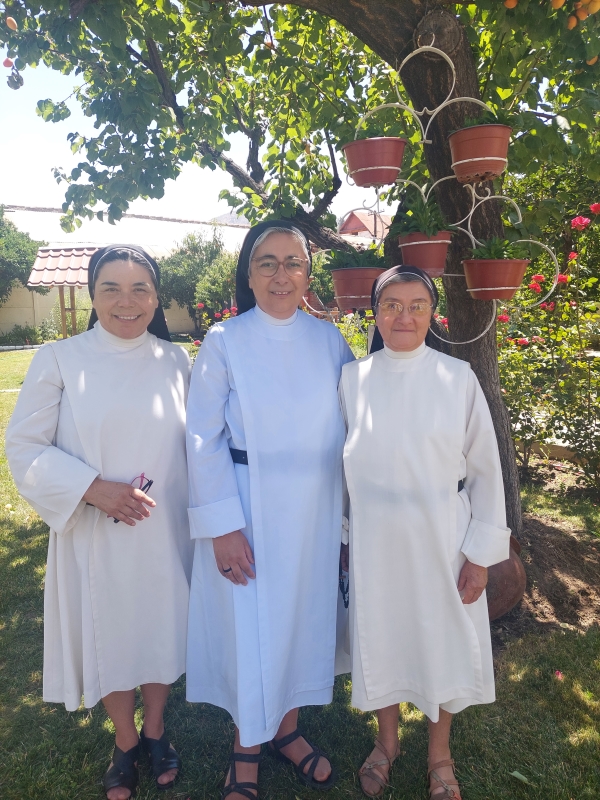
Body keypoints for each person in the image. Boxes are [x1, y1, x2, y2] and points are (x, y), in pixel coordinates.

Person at [5, 246, 193, 800]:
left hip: (162, 528)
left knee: (159, 625)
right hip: (94, 529)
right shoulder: (60, 359)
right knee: (108, 628)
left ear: (156, 297)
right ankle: (127, 739)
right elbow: (24, 448)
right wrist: (94, 490)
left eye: (140, 289)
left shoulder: (177, 361)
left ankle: (157, 727)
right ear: (92, 295)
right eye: (111, 288)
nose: (126, 302)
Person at [186, 220, 354, 799]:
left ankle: (288, 731)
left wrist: (348, 523)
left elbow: (357, 426)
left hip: (313, 509)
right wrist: (222, 526)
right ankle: (245, 747)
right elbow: (202, 438)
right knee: (250, 626)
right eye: (268, 263)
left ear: (309, 274)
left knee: (302, 620)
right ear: (250, 274)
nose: (282, 275)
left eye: (294, 263)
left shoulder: (330, 341)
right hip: (248, 505)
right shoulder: (223, 341)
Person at [339, 265, 511, 799]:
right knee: (382, 634)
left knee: (439, 639)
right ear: (375, 312)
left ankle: (440, 755)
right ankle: (386, 744)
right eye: (392, 304)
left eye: (416, 304)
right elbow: (342, 470)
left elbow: (485, 468)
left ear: (433, 313)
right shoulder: (353, 379)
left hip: (442, 535)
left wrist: (480, 554)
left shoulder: (457, 378)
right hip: (375, 537)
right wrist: (345, 541)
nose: (404, 315)